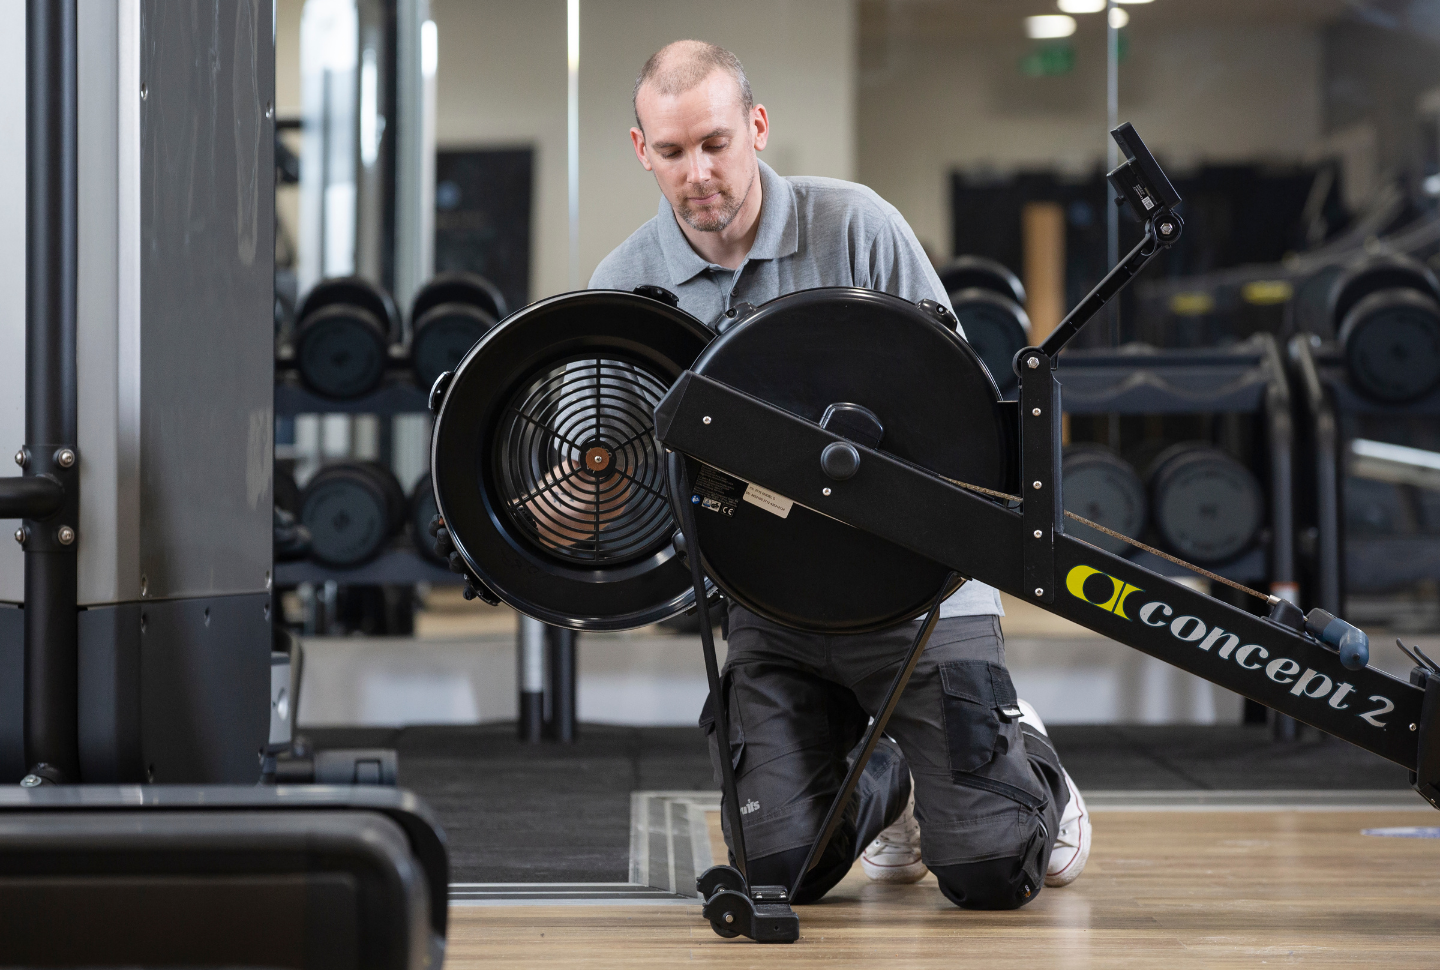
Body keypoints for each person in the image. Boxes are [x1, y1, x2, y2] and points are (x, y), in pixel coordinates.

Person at [589, 39, 1090, 909]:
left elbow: (959, 423)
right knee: (783, 871)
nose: (697, 172)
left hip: (920, 590)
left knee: (990, 873)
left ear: (756, 126)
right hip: (773, 610)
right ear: (642, 151)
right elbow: (617, 469)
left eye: (714, 142)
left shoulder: (856, 227)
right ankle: (886, 774)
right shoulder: (626, 286)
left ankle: (1031, 771)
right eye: (671, 152)